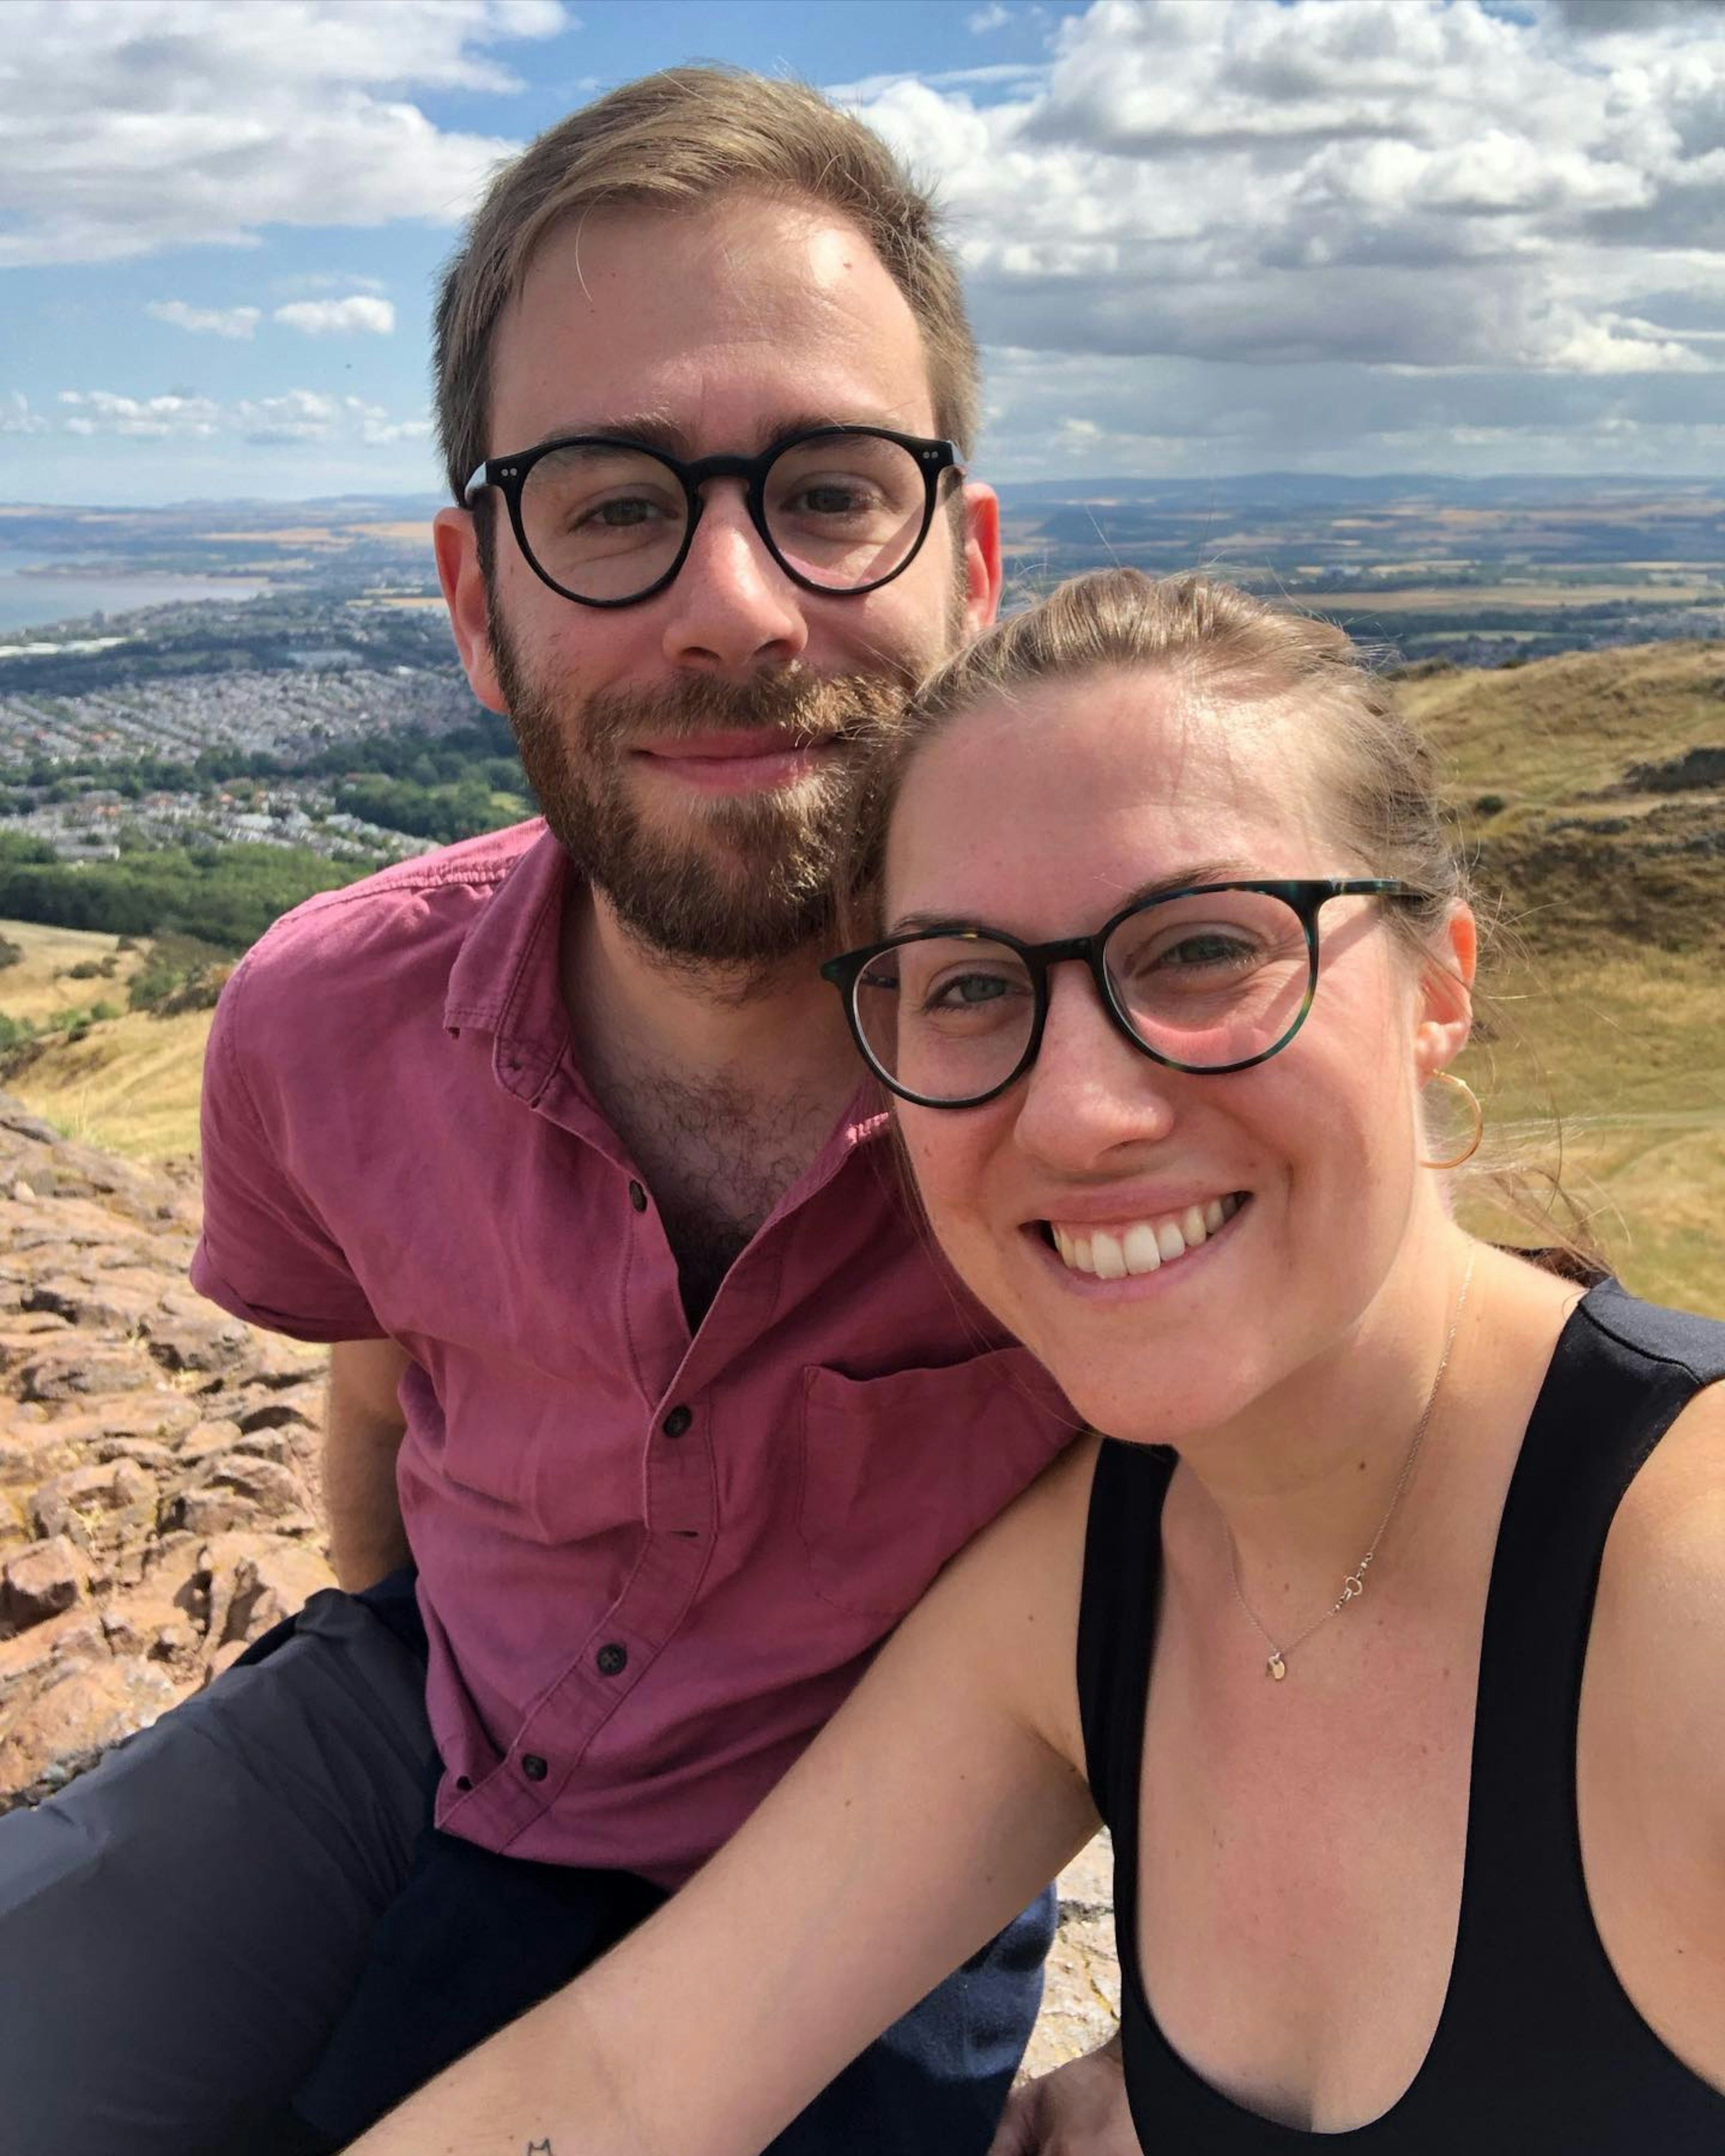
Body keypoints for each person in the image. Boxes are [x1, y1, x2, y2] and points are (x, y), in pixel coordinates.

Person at [0, 68, 1140, 2156]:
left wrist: (1179, 2067)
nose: (734, 603)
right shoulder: (323, 1027)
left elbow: (1379, 1531)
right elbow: (376, 1400)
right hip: (434, 1724)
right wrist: (383, 1652)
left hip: (866, 1874)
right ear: (471, 600)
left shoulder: (1107, 1095)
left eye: (829, 490)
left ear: (968, 568)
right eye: (613, 501)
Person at [343, 568, 1725, 2156]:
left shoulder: (1689, 1597)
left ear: (1439, 987)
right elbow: (628, 2079)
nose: (1076, 1112)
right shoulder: (1099, 1581)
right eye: (975, 988)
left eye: (1205, 949)